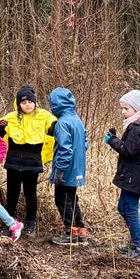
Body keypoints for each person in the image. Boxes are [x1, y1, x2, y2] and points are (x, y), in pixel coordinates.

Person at [105, 87, 140, 261]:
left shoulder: (137, 127)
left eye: (126, 108)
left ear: (136, 109)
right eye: (122, 108)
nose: (123, 112)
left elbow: (128, 150)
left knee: (130, 209)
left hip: (134, 175)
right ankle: (135, 243)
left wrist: (112, 141)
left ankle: (138, 246)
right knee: (123, 207)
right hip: (132, 174)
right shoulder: (137, 125)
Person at [0, 85, 56, 237]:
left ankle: (31, 224)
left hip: (32, 161)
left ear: (35, 102)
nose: (27, 104)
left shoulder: (44, 116)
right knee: (12, 195)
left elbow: (56, 130)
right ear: (18, 104)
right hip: (13, 161)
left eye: (30, 101)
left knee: (31, 195)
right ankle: (8, 223)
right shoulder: (11, 117)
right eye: (23, 102)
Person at [48, 87, 89, 247]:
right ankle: (81, 232)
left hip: (67, 170)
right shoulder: (76, 120)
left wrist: (60, 170)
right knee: (72, 199)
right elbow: (85, 142)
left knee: (62, 200)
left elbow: (65, 150)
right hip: (77, 168)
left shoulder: (62, 123)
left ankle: (69, 234)